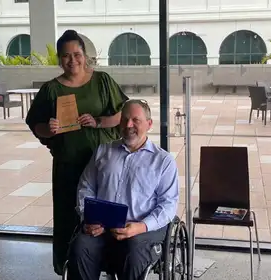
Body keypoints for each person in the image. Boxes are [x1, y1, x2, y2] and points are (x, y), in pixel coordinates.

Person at [25, 30, 129, 275]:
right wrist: (49, 130)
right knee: (70, 219)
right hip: (68, 166)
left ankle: (111, 265)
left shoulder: (102, 81)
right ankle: (73, 268)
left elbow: (122, 113)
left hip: (104, 165)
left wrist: (99, 121)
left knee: (106, 217)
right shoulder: (51, 89)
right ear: (59, 59)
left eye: (77, 54)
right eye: (66, 56)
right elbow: (35, 123)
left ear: (85, 55)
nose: (72, 60)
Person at [67, 99, 179, 280]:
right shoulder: (103, 152)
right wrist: (87, 217)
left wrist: (141, 227)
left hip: (141, 230)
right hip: (101, 227)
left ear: (149, 124)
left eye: (136, 120)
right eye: (125, 119)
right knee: (80, 247)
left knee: (134, 251)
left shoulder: (163, 161)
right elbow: (85, 188)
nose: (128, 125)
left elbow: (168, 205)